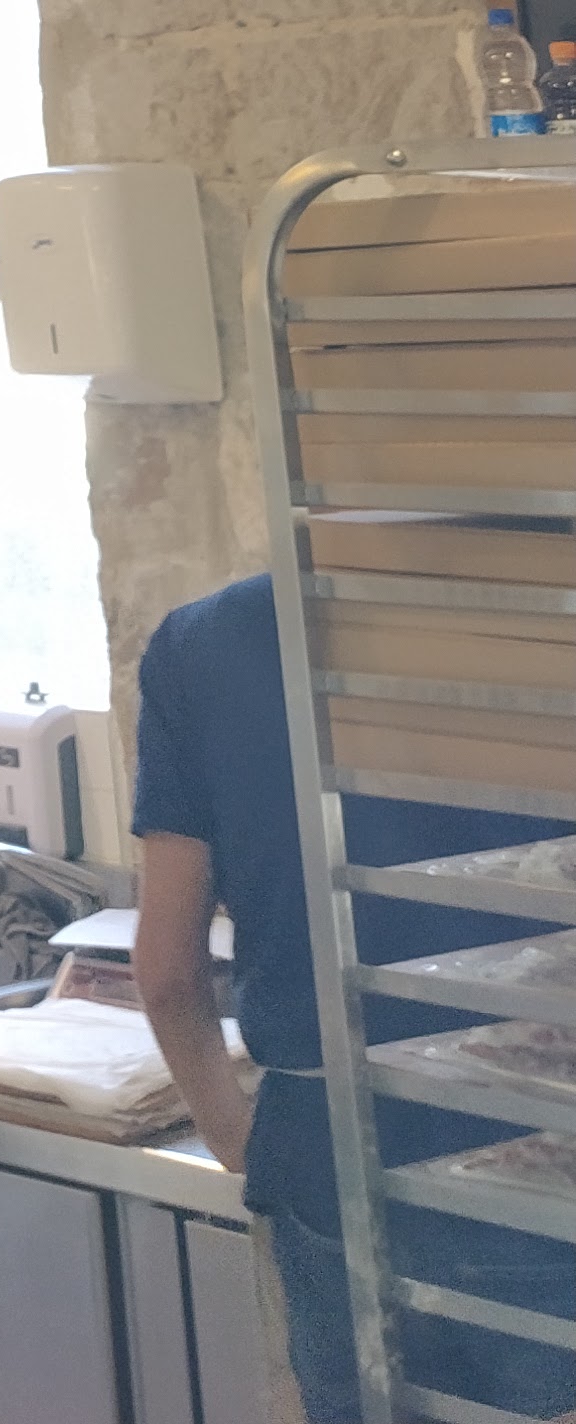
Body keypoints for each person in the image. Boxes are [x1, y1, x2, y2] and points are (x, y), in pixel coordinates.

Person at [133, 567, 576, 1422]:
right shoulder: (540, 613)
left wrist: (241, 1136)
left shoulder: (204, 644)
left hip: (325, 1163)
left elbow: (168, 971)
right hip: (537, 1169)